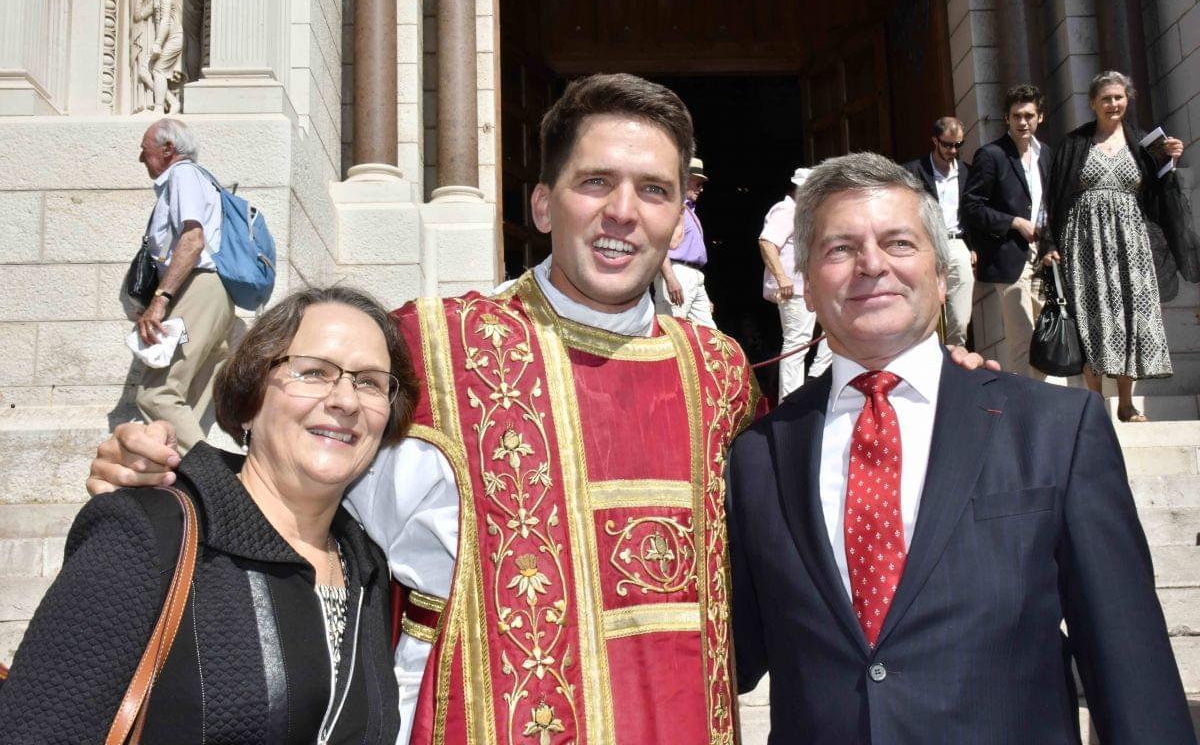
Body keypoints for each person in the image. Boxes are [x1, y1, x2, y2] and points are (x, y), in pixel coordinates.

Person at [85, 76, 993, 744]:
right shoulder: (431, 346)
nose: (622, 214)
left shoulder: (718, 374)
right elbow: (291, 486)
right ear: (543, 202)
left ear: (680, 215)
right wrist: (175, 481)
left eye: (654, 191)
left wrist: (935, 381)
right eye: (595, 183)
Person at [727, 152, 1195, 744]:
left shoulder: (1055, 428)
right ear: (808, 287)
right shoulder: (758, 455)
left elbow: (1132, 670)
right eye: (839, 249)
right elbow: (725, 657)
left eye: (899, 243)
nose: (871, 265)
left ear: (942, 273)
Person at [0, 286, 413, 742]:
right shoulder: (152, 533)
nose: (346, 401)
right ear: (252, 397)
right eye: (314, 372)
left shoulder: (372, 572)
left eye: (370, 382)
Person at [1042, 70, 1192, 422]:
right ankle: (1095, 403)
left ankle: (1126, 402)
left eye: (1119, 97)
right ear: (1092, 102)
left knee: (1129, 317)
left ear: (1128, 100)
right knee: (1090, 318)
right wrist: (1050, 241)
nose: (1113, 104)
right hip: (1084, 244)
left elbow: (1159, 196)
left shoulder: (1144, 143)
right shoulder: (1074, 144)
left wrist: (1171, 162)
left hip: (1130, 244)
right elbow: (1054, 197)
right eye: (1106, 98)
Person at [133, 118, 236, 454]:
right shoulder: (201, 180)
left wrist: (160, 299)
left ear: (168, 149)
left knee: (156, 394)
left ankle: (217, 482)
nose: (140, 157)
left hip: (199, 288)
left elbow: (192, 240)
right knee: (185, 405)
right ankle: (193, 491)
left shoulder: (183, 174)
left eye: (144, 148)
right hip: (214, 294)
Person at [962, 85, 1053, 377]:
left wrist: (1051, 245)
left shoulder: (1046, 154)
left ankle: (1044, 401)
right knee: (1022, 337)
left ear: (1040, 117)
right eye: (1016, 116)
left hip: (1044, 255)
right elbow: (972, 207)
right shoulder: (991, 155)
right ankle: (1025, 411)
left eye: (1029, 115)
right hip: (1010, 256)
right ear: (1006, 118)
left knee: (1047, 336)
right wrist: (1014, 222)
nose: (1023, 122)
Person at [759, 166, 832, 399]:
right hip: (793, 288)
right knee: (796, 342)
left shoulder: (802, 214)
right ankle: (790, 400)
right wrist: (782, 278)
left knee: (833, 328)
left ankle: (815, 377)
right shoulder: (786, 211)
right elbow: (767, 242)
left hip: (808, 287)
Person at [903, 116, 974, 347]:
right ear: (935, 140)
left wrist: (973, 247)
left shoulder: (967, 173)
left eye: (958, 145)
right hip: (926, 245)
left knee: (960, 318)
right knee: (926, 312)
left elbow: (974, 212)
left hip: (956, 243)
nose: (953, 150)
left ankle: (955, 360)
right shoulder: (913, 171)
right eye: (947, 144)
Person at [654, 156, 717, 326]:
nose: (701, 189)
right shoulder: (671, 207)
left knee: (710, 335)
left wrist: (700, 291)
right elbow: (660, 245)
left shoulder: (689, 211)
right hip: (677, 271)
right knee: (672, 331)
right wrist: (670, 278)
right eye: (698, 184)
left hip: (693, 275)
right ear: (686, 181)